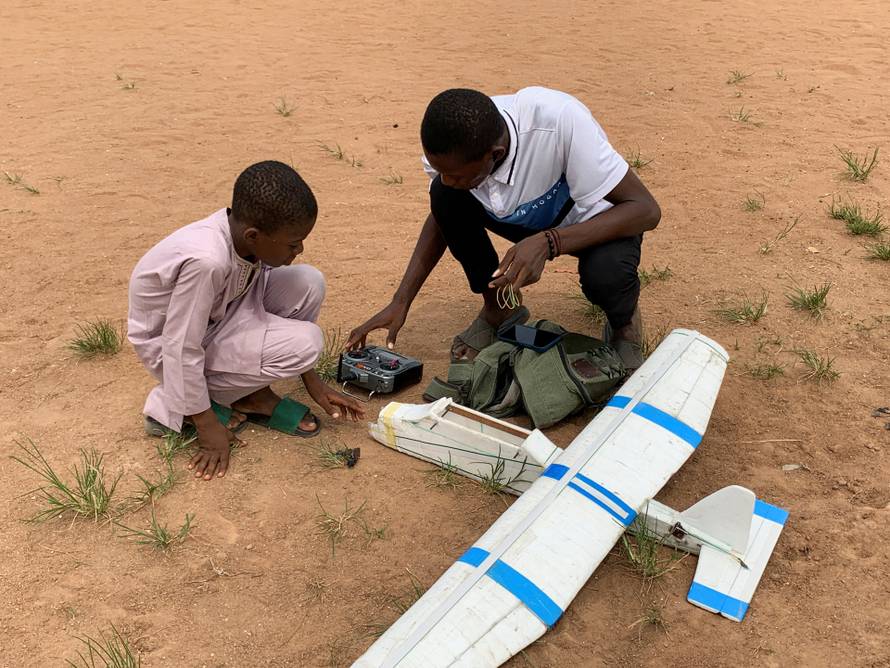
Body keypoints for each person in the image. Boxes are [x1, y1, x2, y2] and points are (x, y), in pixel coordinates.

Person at [348, 87, 661, 370]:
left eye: (457, 175)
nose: (446, 178)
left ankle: (624, 323)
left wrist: (550, 241)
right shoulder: (458, 148)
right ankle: (500, 309)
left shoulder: (559, 122)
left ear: (495, 154)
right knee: (444, 196)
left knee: (606, 276)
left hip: (597, 224)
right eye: (440, 170)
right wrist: (401, 299)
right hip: (529, 220)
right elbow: (442, 214)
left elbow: (645, 209)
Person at [128, 160, 364, 481]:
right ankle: (177, 407)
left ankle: (251, 392)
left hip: (223, 314)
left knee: (309, 282)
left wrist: (313, 382)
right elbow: (180, 346)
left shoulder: (243, 238)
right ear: (253, 235)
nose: (300, 248)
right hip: (172, 348)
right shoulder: (207, 262)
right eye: (293, 243)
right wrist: (208, 427)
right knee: (306, 343)